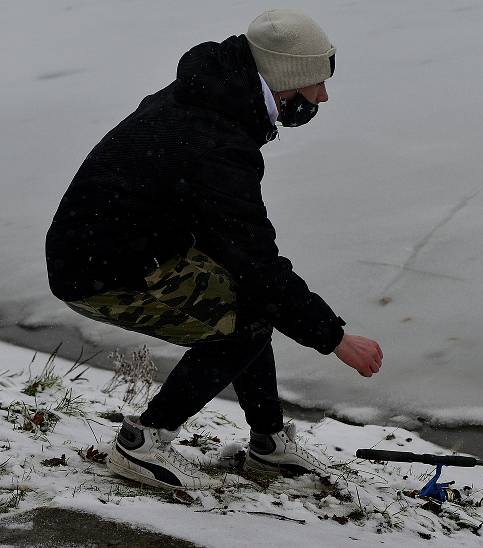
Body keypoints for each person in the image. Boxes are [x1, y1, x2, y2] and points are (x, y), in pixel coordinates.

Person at [45, 9, 383, 490]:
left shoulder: (214, 96)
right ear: (285, 81)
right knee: (243, 326)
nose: (323, 96)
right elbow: (257, 263)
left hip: (127, 247)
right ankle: (144, 443)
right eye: (315, 84)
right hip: (102, 271)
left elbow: (239, 257)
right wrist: (335, 339)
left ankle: (268, 448)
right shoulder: (216, 140)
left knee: (248, 305)